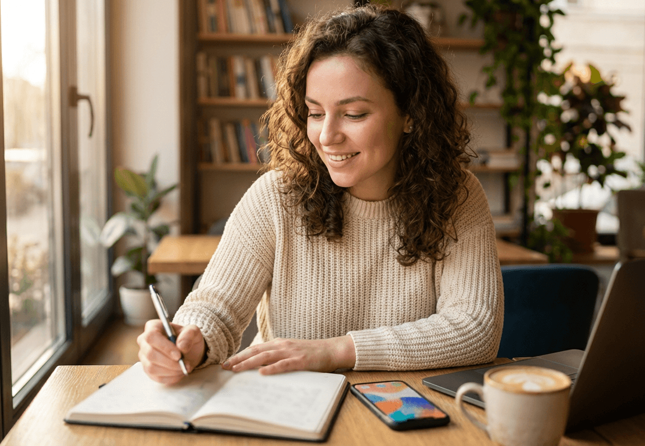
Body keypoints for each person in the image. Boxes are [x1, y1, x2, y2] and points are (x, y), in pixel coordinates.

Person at [137, 4, 504, 384]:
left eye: (354, 114)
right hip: (291, 412)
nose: (327, 136)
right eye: (315, 113)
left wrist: (334, 352)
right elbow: (216, 305)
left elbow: (474, 329)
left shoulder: (456, 196)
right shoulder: (276, 196)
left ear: (411, 113)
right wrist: (190, 337)